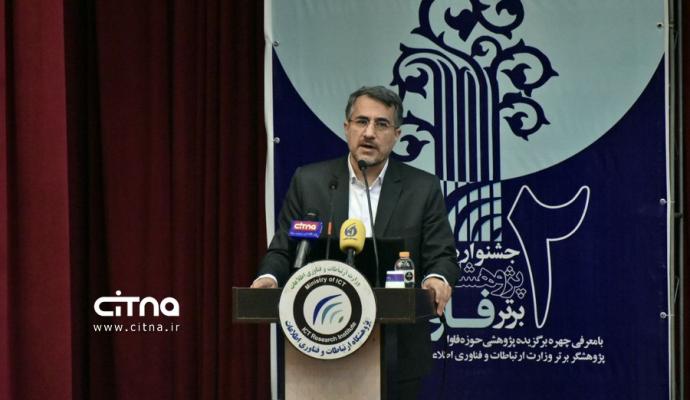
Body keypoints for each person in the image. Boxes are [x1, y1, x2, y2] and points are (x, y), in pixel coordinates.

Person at [252, 85, 459, 398]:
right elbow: (284, 249)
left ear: (397, 135)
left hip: (397, 351)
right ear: (346, 127)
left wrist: (437, 279)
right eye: (362, 121)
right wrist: (269, 277)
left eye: (381, 124)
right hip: (319, 346)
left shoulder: (422, 188)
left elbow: (442, 255)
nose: (370, 133)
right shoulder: (310, 182)